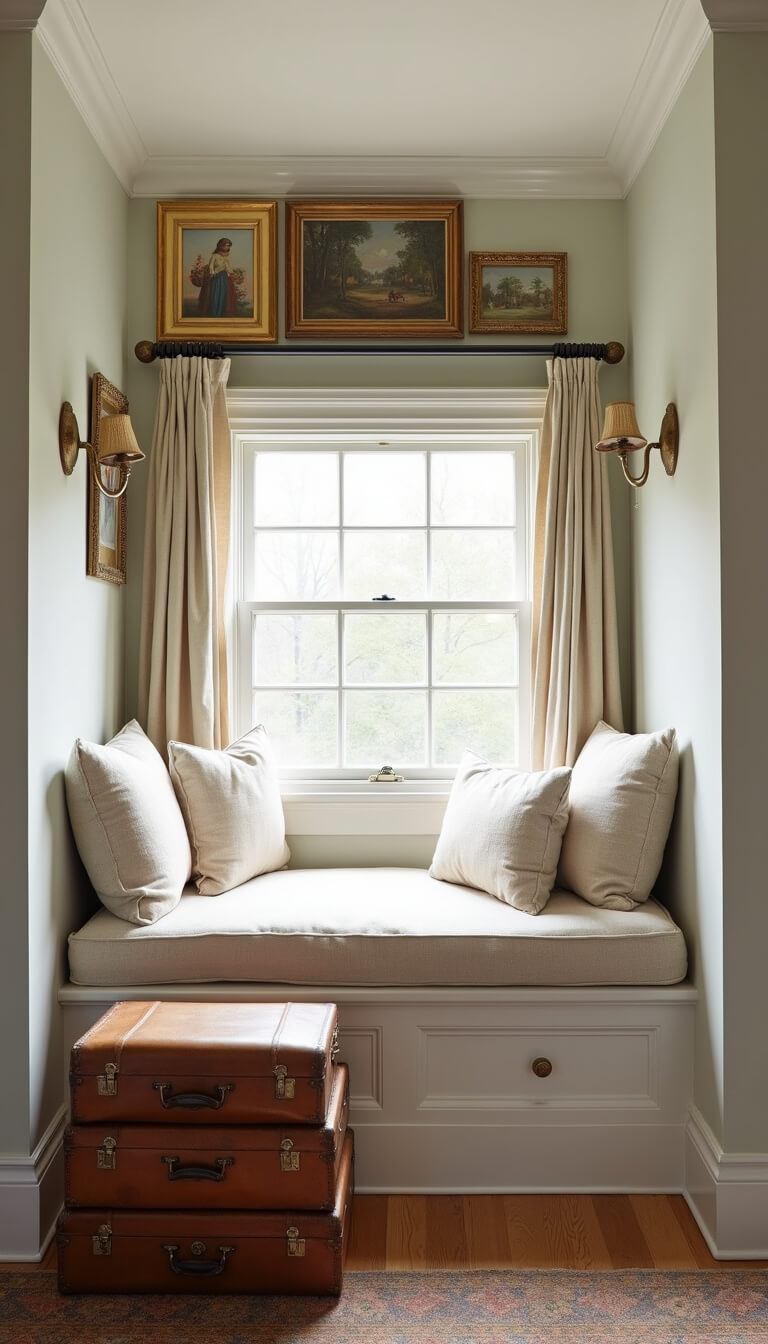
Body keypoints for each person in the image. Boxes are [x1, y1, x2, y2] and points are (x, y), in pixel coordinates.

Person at [197, 237, 239, 317]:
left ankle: (221, 313)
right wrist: (213, 273)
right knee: (215, 295)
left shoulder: (226, 257)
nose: (227, 247)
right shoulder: (215, 256)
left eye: (228, 246)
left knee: (224, 295)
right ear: (221, 246)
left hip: (224, 278)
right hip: (216, 278)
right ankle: (214, 313)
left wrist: (232, 273)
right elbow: (211, 266)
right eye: (226, 245)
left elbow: (228, 268)